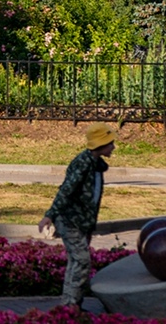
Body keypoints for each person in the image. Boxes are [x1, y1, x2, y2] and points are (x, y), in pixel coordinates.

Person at [38, 122, 116, 309]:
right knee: (81, 260)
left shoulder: (96, 164)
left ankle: (72, 305)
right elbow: (66, 190)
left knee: (76, 262)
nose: (113, 147)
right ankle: (69, 306)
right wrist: (50, 215)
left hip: (83, 222)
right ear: (100, 144)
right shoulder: (83, 163)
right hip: (70, 221)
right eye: (110, 143)